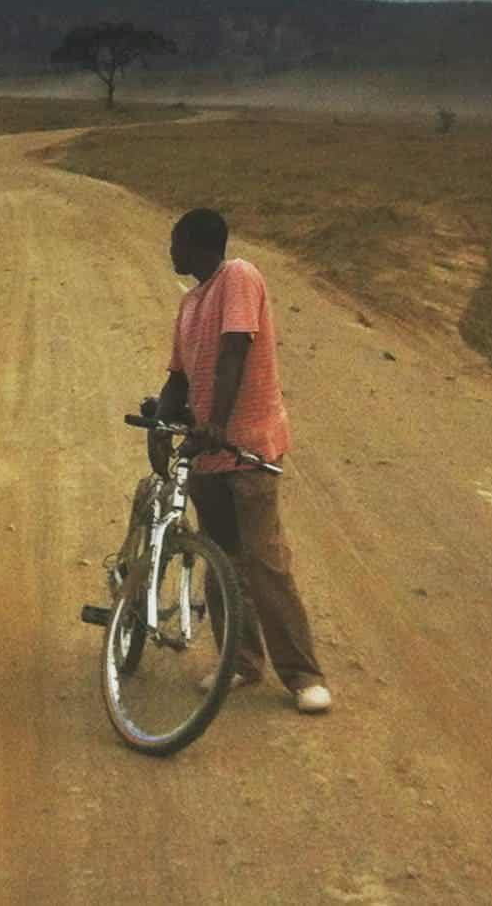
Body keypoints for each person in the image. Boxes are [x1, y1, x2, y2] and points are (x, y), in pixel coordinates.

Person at [156, 206, 331, 713]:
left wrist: (216, 424)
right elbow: (177, 379)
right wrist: (163, 429)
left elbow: (234, 349)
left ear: (196, 243)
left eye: (175, 242)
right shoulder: (189, 304)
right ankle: (241, 661)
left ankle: (303, 675)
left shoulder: (238, 276)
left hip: (247, 446)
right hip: (207, 457)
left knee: (265, 560)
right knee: (222, 562)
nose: (170, 251)